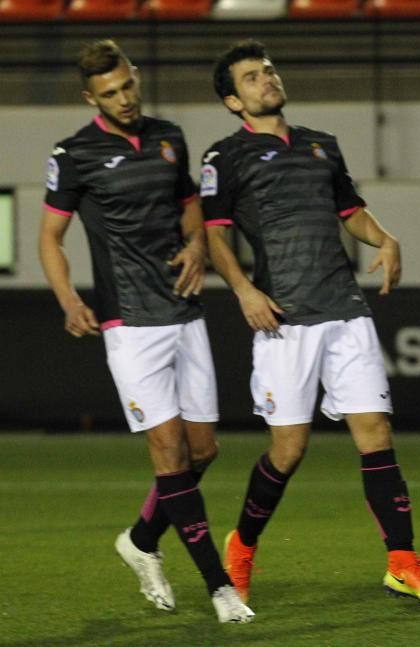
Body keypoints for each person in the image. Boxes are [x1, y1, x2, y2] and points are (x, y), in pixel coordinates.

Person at [200, 39, 420, 606]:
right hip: (284, 318)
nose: (267, 80)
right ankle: (241, 548)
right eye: (251, 78)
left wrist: (384, 237)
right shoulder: (224, 157)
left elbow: (350, 212)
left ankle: (402, 562)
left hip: (344, 309)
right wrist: (243, 290)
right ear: (233, 102)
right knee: (288, 450)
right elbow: (214, 234)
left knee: (376, 434)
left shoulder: (321, 146)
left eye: (268, 70)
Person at [37, 40, 253, 623]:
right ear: (91, 98)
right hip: (128, 322)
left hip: (183, 310)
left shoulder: (168, 136)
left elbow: (190, 208)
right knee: (168, 454)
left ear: (135, 77)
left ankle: (139, 539)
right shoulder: (75, 153)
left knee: (203, 449)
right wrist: (66, 298)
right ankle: (219, 589)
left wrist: (193, 246)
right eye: (110, 93)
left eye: (128, 85)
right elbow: (49, 239)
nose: (125, 99)